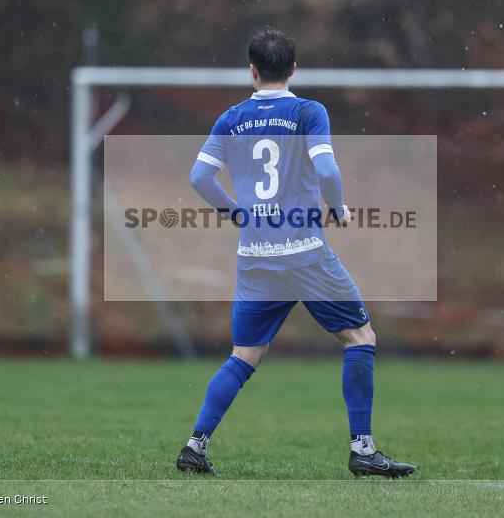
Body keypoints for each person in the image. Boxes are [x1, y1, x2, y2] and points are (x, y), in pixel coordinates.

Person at [177, 27, 415, 478]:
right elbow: (326, 166)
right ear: (293, 69)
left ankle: (195, 445)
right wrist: (337, 207)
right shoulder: (309, 111)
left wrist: (237, 214)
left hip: (257, 256)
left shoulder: (231, 118)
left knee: (245, 355)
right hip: (304, 251)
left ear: (251, 70)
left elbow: (199, 178)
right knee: (360, 339)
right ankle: (363, 449)